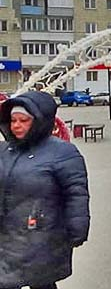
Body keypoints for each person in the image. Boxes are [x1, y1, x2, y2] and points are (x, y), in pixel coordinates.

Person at [0, 91, 90, 289]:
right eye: (13, 120)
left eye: (23, 120)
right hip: (7, 235)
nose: (16, 125)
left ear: (40, 121)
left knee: (41, 282)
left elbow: (76, 192)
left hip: (42, 235)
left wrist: (77, 227)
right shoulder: (4, 150)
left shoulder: (63, 152)